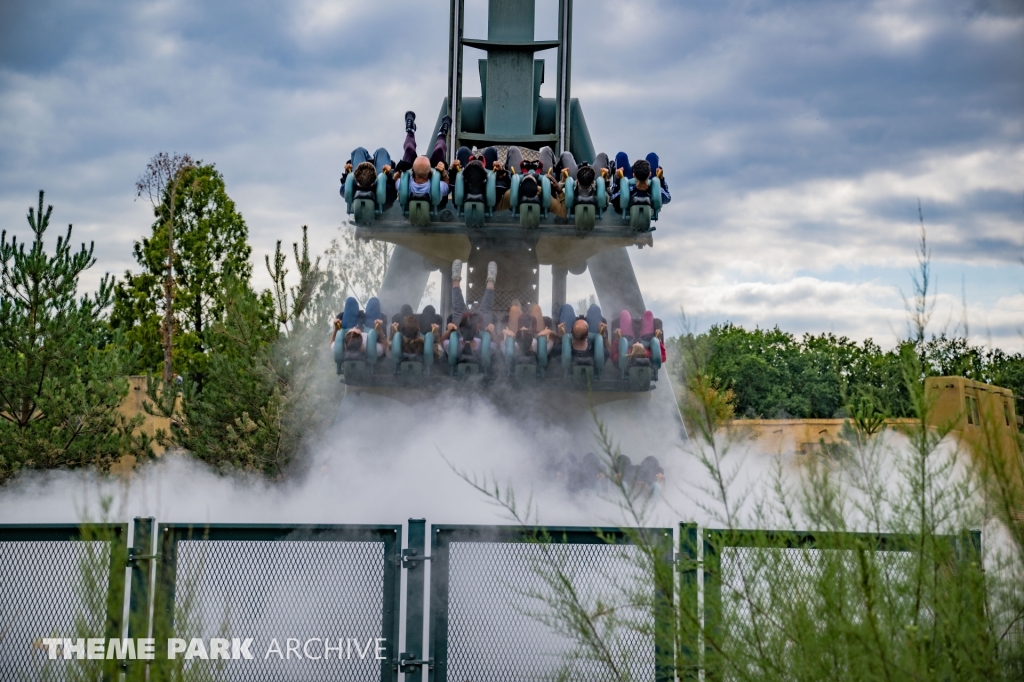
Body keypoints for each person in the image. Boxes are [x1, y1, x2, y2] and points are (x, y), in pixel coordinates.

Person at [392, 111, 453, 203]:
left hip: (411, 196)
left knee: (409, 150)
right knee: (439, 151)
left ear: (412, 169)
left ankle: (410, 131)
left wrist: (400, 171)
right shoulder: (439, 187)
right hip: (434, 200)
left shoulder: (403, 184)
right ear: (430, 171)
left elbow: (394, 181)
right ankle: (442, 134)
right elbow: (448, 186)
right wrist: (444, 173)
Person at [441, 258, 498, 354]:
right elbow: (498, 344)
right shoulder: (485, 347)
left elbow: (441, 341)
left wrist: (449, 331)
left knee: (459, 309)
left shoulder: (453, 347)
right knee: (485, 309)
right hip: (477, 335)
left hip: (464, 335)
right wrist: (491, 332)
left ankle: (491, 281)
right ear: (477, 328)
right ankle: (456, 279)